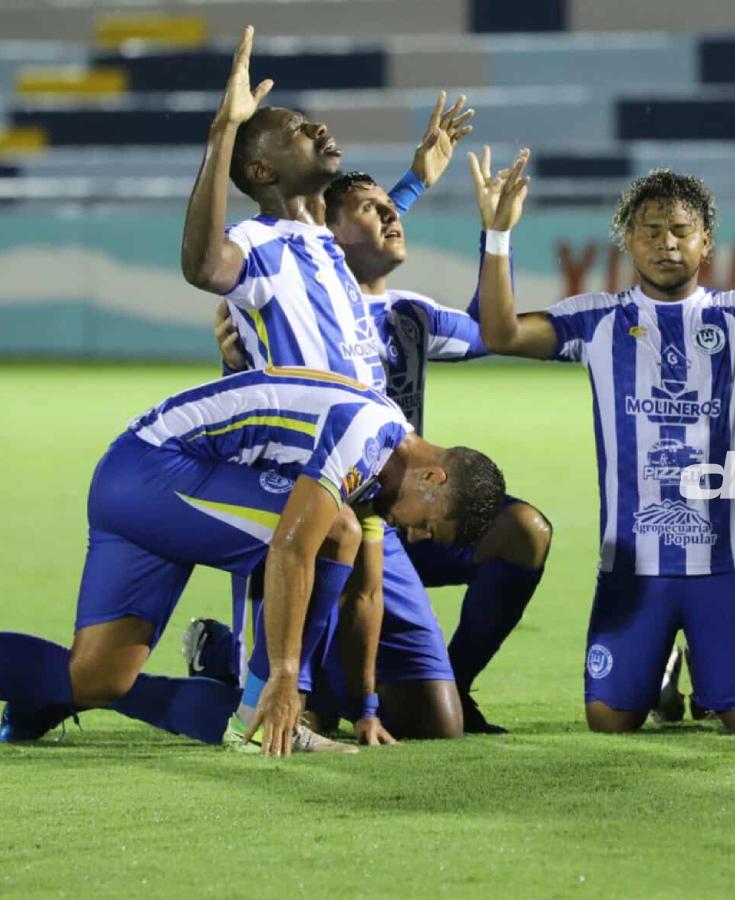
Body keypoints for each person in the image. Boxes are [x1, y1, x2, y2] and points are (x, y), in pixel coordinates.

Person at [468, 128, 735, 733]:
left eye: (680, 231)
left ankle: (695, 653)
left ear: (706, 243)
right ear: (627, 241)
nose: (666, 244)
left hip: (727, 566)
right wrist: (498, 235)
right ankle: (663, 665)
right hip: (632, 569)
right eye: (650, 231)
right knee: (608, 724)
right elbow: (501, 334)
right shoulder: (596, 321)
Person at [179, 25, 479, 738]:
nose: (316, 126)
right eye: (293, 131)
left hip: (367, 475)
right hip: (300, 476)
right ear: (261, 173)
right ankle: (236, 663)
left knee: (438, 724)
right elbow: (203, 267)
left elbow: (361, 230)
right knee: (280, 700)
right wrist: (224, 131)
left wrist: (413, 183)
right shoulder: (259, 246)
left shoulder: (325, 249)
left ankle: (318, 686)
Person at [196, 170, 553, 734]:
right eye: (374, 209)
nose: (393, 218)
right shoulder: (289, 304)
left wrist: (496, 233)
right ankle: (227, 662)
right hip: (330, 516)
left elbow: (495, 330)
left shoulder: (409, 315)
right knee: (309, 715)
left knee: (522, 530)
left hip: (408, 516)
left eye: (394, 208)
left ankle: (450, 685)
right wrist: (235, 361)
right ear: (324, 236)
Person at [0, 367, 505, 757]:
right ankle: (253, 715)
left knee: (97, 678)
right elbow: (291, 547)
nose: (411, 534)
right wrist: (286, 676)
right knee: (331, 530)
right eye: (428, 525)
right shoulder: (367, 436)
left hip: (134, 482)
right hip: (155, 469)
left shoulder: (384, 466)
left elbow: (365, 592)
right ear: (434, 480)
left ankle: (32, 693)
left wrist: (365, 708)